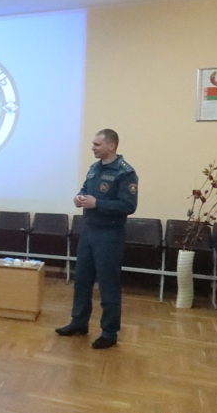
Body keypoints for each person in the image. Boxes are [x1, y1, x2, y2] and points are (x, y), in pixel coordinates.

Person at [55, 129, 138, 349]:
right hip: (89, 231)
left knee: (108, 284)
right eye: (93, 144)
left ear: (111, 145)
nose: (92, 147)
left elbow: (129, 205)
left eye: (97, 144)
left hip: (109, 235)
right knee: (82, 280)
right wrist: (79, 197)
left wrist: (97, 204)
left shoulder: (125, 172)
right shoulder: (94, 168)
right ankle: (79, 322)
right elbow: (85, 189)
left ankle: (109, 332)